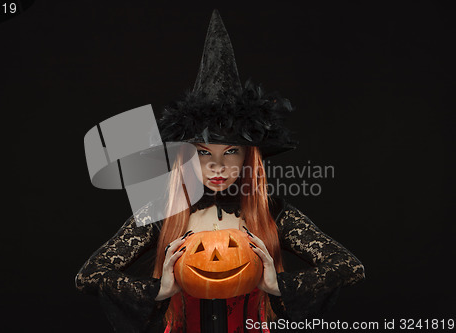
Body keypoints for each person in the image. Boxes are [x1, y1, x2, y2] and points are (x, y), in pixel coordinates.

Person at [75, 10, 365, 333]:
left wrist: (279, 285)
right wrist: (159, 291)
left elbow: (349, 266)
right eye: (203, 153)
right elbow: (89, 274)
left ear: (248, 156)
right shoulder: (165, 210)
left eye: (230, 151)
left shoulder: (268, 209)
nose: (217, 166)